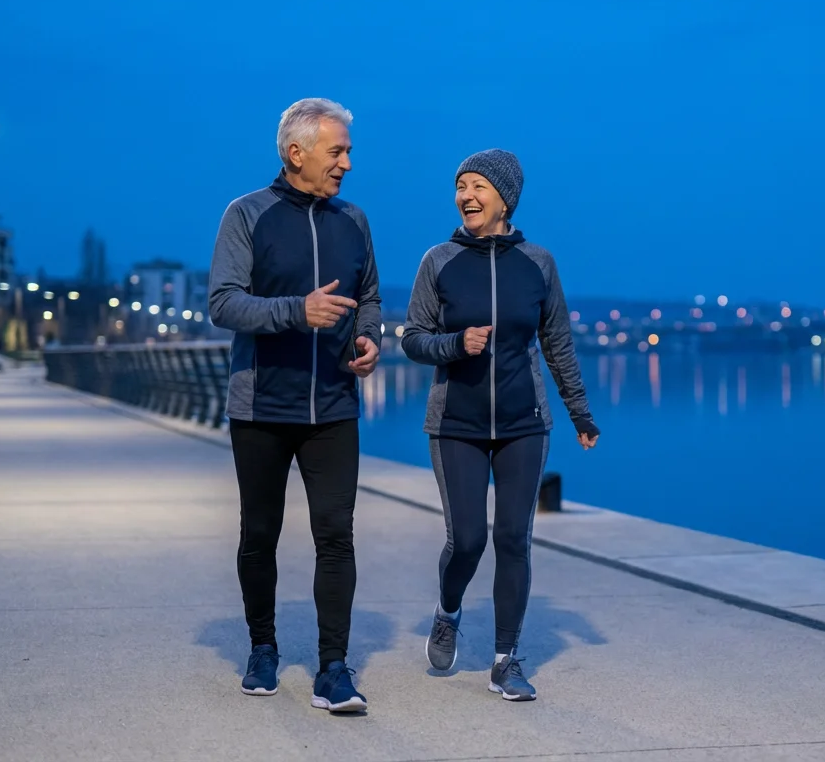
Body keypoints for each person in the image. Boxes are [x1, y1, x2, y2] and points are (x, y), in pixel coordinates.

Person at [401, 149, 600, 702]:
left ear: (504, 197)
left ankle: (505, 660)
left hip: (524, 422)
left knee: (514, 538)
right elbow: (413, 337)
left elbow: (557, 343)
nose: (465, 195)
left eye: (476, 186)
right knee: (467, 540)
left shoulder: (538, 263)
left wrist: (579, 413)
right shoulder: (438, 261)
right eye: (460, 186)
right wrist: (455, 344)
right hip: (456, 422)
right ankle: (447, 613)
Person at [207, 97, 381, 713]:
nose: (347, 164)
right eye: (337, 151)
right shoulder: (247, 215)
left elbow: (370, 297)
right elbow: (223, 303)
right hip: (261, 407)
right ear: (296, 153)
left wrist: (369, 339)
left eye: (348, 152)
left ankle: (334, 667)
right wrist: (295, 312)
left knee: (336, 534)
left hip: (334, 407)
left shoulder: (354, 221)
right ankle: (263, 648)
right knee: (261, 533)